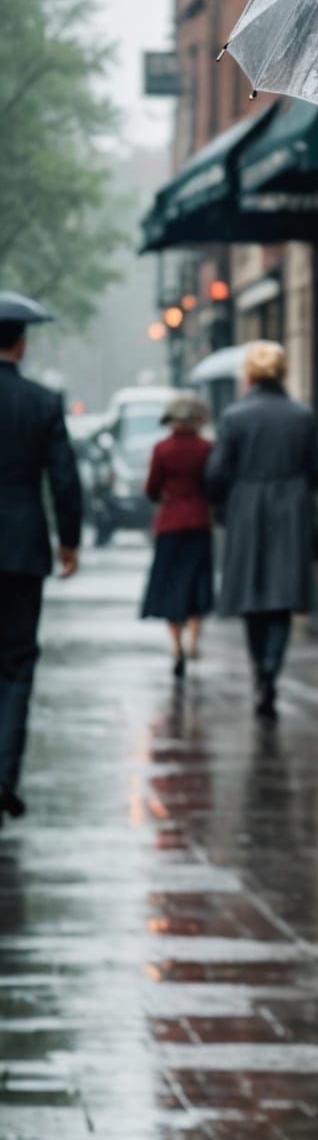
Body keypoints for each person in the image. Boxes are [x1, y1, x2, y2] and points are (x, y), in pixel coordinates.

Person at [205, 340, 318, 719]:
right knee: (282, 597)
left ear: (251, 376)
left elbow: (217, 472)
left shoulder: (235, 417)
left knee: (251, 597)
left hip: (247, 507)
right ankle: (271, 668)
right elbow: (317, 468)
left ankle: (262, 669)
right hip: (290, 507)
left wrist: (224, 501)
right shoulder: (301, 415)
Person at [0, 291, 83, 828]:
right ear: (22, 342)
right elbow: (65, 479)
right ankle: (4, 778)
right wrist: (69, 540)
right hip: (22, 547)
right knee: (16, 666)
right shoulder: (43, 403)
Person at [140, 394, 215, 679]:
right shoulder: (206, 448)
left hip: (170, 523)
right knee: (197, 581)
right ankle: (194, 638)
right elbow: (214, 483)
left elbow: (151, 488)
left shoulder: (162, 449)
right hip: (198, 521)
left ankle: (176, 645)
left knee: (171, 585)